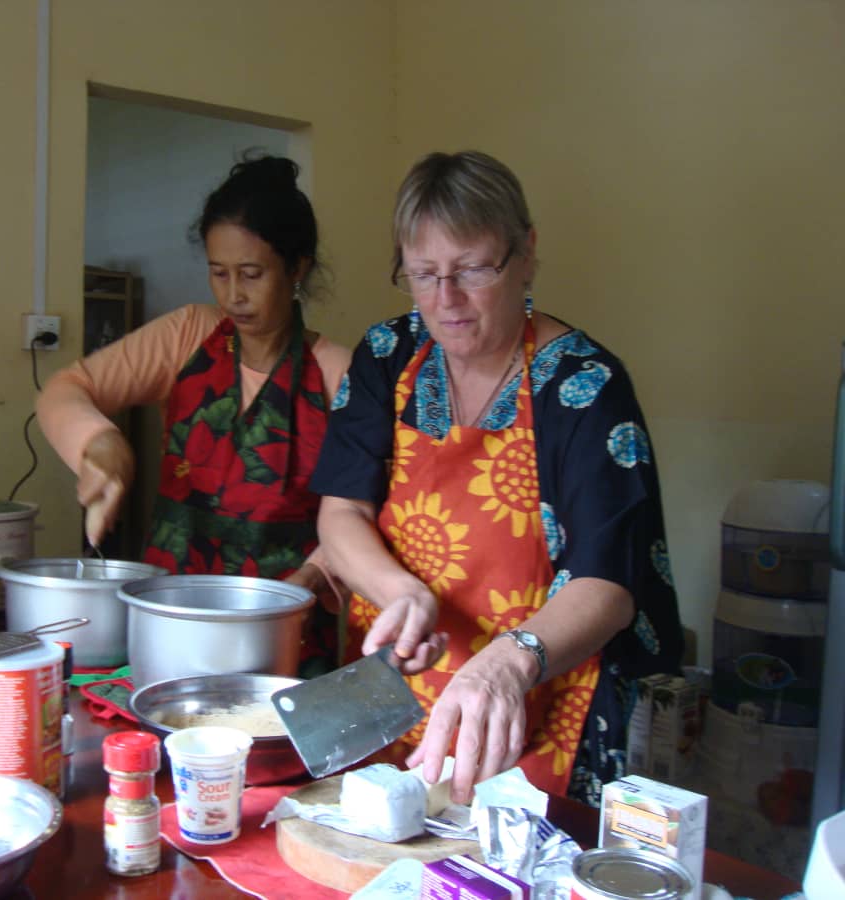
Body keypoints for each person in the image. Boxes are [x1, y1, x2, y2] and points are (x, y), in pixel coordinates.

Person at [310, 150, 684, 805]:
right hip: (395, 695)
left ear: (527, 252)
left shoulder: (585, 386)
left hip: (538, 705)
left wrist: (512, 661)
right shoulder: (384, 356)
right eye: (423, 274)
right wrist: (398, 591)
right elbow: (341, 513)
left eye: (472, 269)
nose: (445, 299)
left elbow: (609, 584)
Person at [38, 154, 351, 675]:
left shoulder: (338, 374)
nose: (233, 295)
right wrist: (99, 443)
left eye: (252, 274)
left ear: (296, 268)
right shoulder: (189, 337)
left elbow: (365, 511)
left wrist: (315, 576)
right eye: (218, 272)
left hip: (279, 634)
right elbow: (66, 388)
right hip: (170, 624)